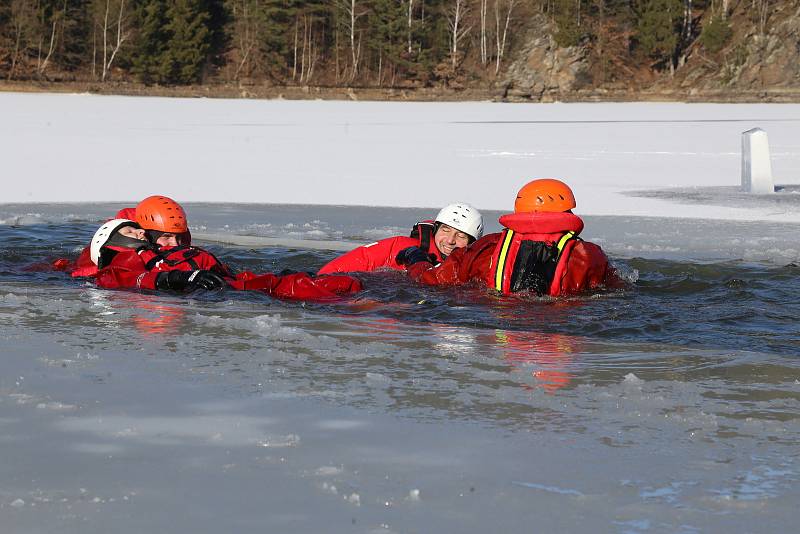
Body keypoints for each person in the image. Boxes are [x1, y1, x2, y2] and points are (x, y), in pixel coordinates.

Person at [82, 205, 362, 300]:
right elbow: (123, 280)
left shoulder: (153, 251)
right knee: (293, 289)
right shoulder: (121, 262)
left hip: (226, 283)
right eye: (131, 233)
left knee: (335, 282)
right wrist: (177, 280)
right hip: (217, 292)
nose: (139, 233)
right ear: (110, 243)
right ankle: (364, 307)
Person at [398, 179, 621, 297]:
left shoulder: (487, 247)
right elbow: (616, 290)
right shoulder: (589, 255)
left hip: (499, 320)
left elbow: (430, 281)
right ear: (566, 213)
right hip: (562, 325)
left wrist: (415, 258)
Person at [318, 203, 484, 274]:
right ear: (435, 230)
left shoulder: (473, 268)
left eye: (460, 236)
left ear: (472, 243)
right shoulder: (400, 247)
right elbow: (333, 271)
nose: (450, 240)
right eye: (445, 230)